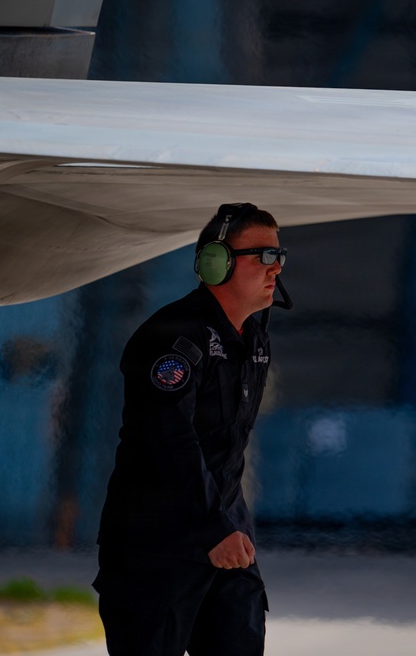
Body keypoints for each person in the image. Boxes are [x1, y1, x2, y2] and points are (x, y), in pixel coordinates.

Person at [93, 202, 288, 656]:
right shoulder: (171, 337)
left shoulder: (254, 340)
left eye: (279, 255)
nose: (276, 268)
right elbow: (168, 439)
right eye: (263, 255)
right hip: (156, 546)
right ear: (216, 263)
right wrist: (212, 529)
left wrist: (228, 527)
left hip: (226, 536)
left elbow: (227, 451)